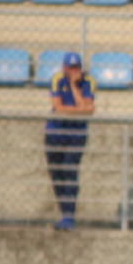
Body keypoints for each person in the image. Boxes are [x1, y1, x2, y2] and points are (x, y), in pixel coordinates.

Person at [45, 52, 95, 231]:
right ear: (64, 68)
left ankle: (69, 217)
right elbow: (58, 108)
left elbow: (89, 110)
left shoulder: (87, 82)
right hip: (56, 133)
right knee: (57, 174)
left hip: (76, 134)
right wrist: (78, 110)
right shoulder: (57, 79)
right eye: (70, 68)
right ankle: (64, 214)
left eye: (77, 67)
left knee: (69, 170)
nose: (74, 71)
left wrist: (74, 87)